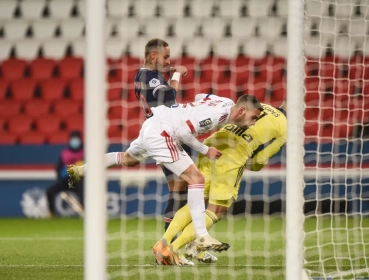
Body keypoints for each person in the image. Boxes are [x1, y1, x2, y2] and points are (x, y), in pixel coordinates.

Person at [67, 94, 263, 265]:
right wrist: (206, 150)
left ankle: (82, 170)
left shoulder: (225, 102)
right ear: (242, 110)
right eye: (253, 118)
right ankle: (202, 235)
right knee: (196, 179)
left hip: (153, 123)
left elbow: (201, 96)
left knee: (129, 159)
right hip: (164, 134)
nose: (253, 123)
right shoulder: (217, 115)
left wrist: (192, 111)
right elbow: (183, 133)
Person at [157, 97, 287, 266]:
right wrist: (251, 164)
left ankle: (163, 243)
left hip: (211, 146)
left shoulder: (262, 106)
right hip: (233, 155)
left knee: (196, 202)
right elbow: (260, 159)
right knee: (217, 209)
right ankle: (173, 249)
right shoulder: (285, 127)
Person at [133, 38, 191, 242]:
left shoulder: (143, 75)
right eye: (165, 57)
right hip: (168, 138)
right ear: (152, 55)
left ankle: (176, 242)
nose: (168, 61)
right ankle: (171, 243)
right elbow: (168, 95)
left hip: (160, 135)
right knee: (186, 187)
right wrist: (176, 74)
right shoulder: (150, 76)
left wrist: (167, 71)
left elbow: (156, 85)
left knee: (180, 189)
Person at [46, 130, 84, 217]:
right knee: (50, 190)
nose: (74, 141)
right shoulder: (64, 154)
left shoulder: (85, 153)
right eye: (73, 139)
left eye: (76, 139)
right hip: (66, 180)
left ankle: (84, 210)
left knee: (82, 188)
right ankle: (51, 213)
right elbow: (58, 169)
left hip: (80, 180)